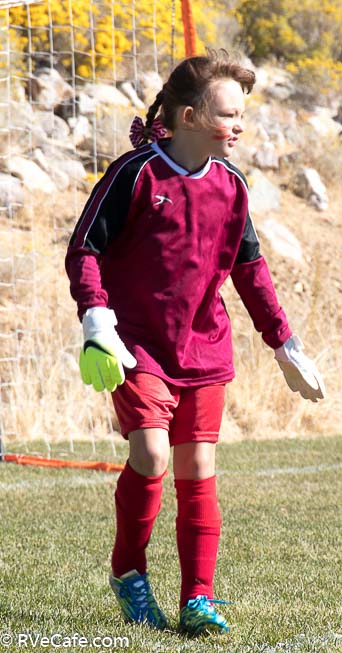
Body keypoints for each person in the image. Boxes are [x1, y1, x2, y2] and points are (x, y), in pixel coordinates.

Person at [65, 49, 325, 637]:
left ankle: (198, 598)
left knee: (199, 467)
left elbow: (251, 271)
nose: (239, 126)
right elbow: (84, 250)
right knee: (152, 455)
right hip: (136, 347)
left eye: (242, 115)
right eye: (229, 114)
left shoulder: (232, 187)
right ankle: (129, 573)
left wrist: (285, 345)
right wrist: (96, 322)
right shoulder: (134, 175)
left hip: (204, 349)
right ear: (187, 117)